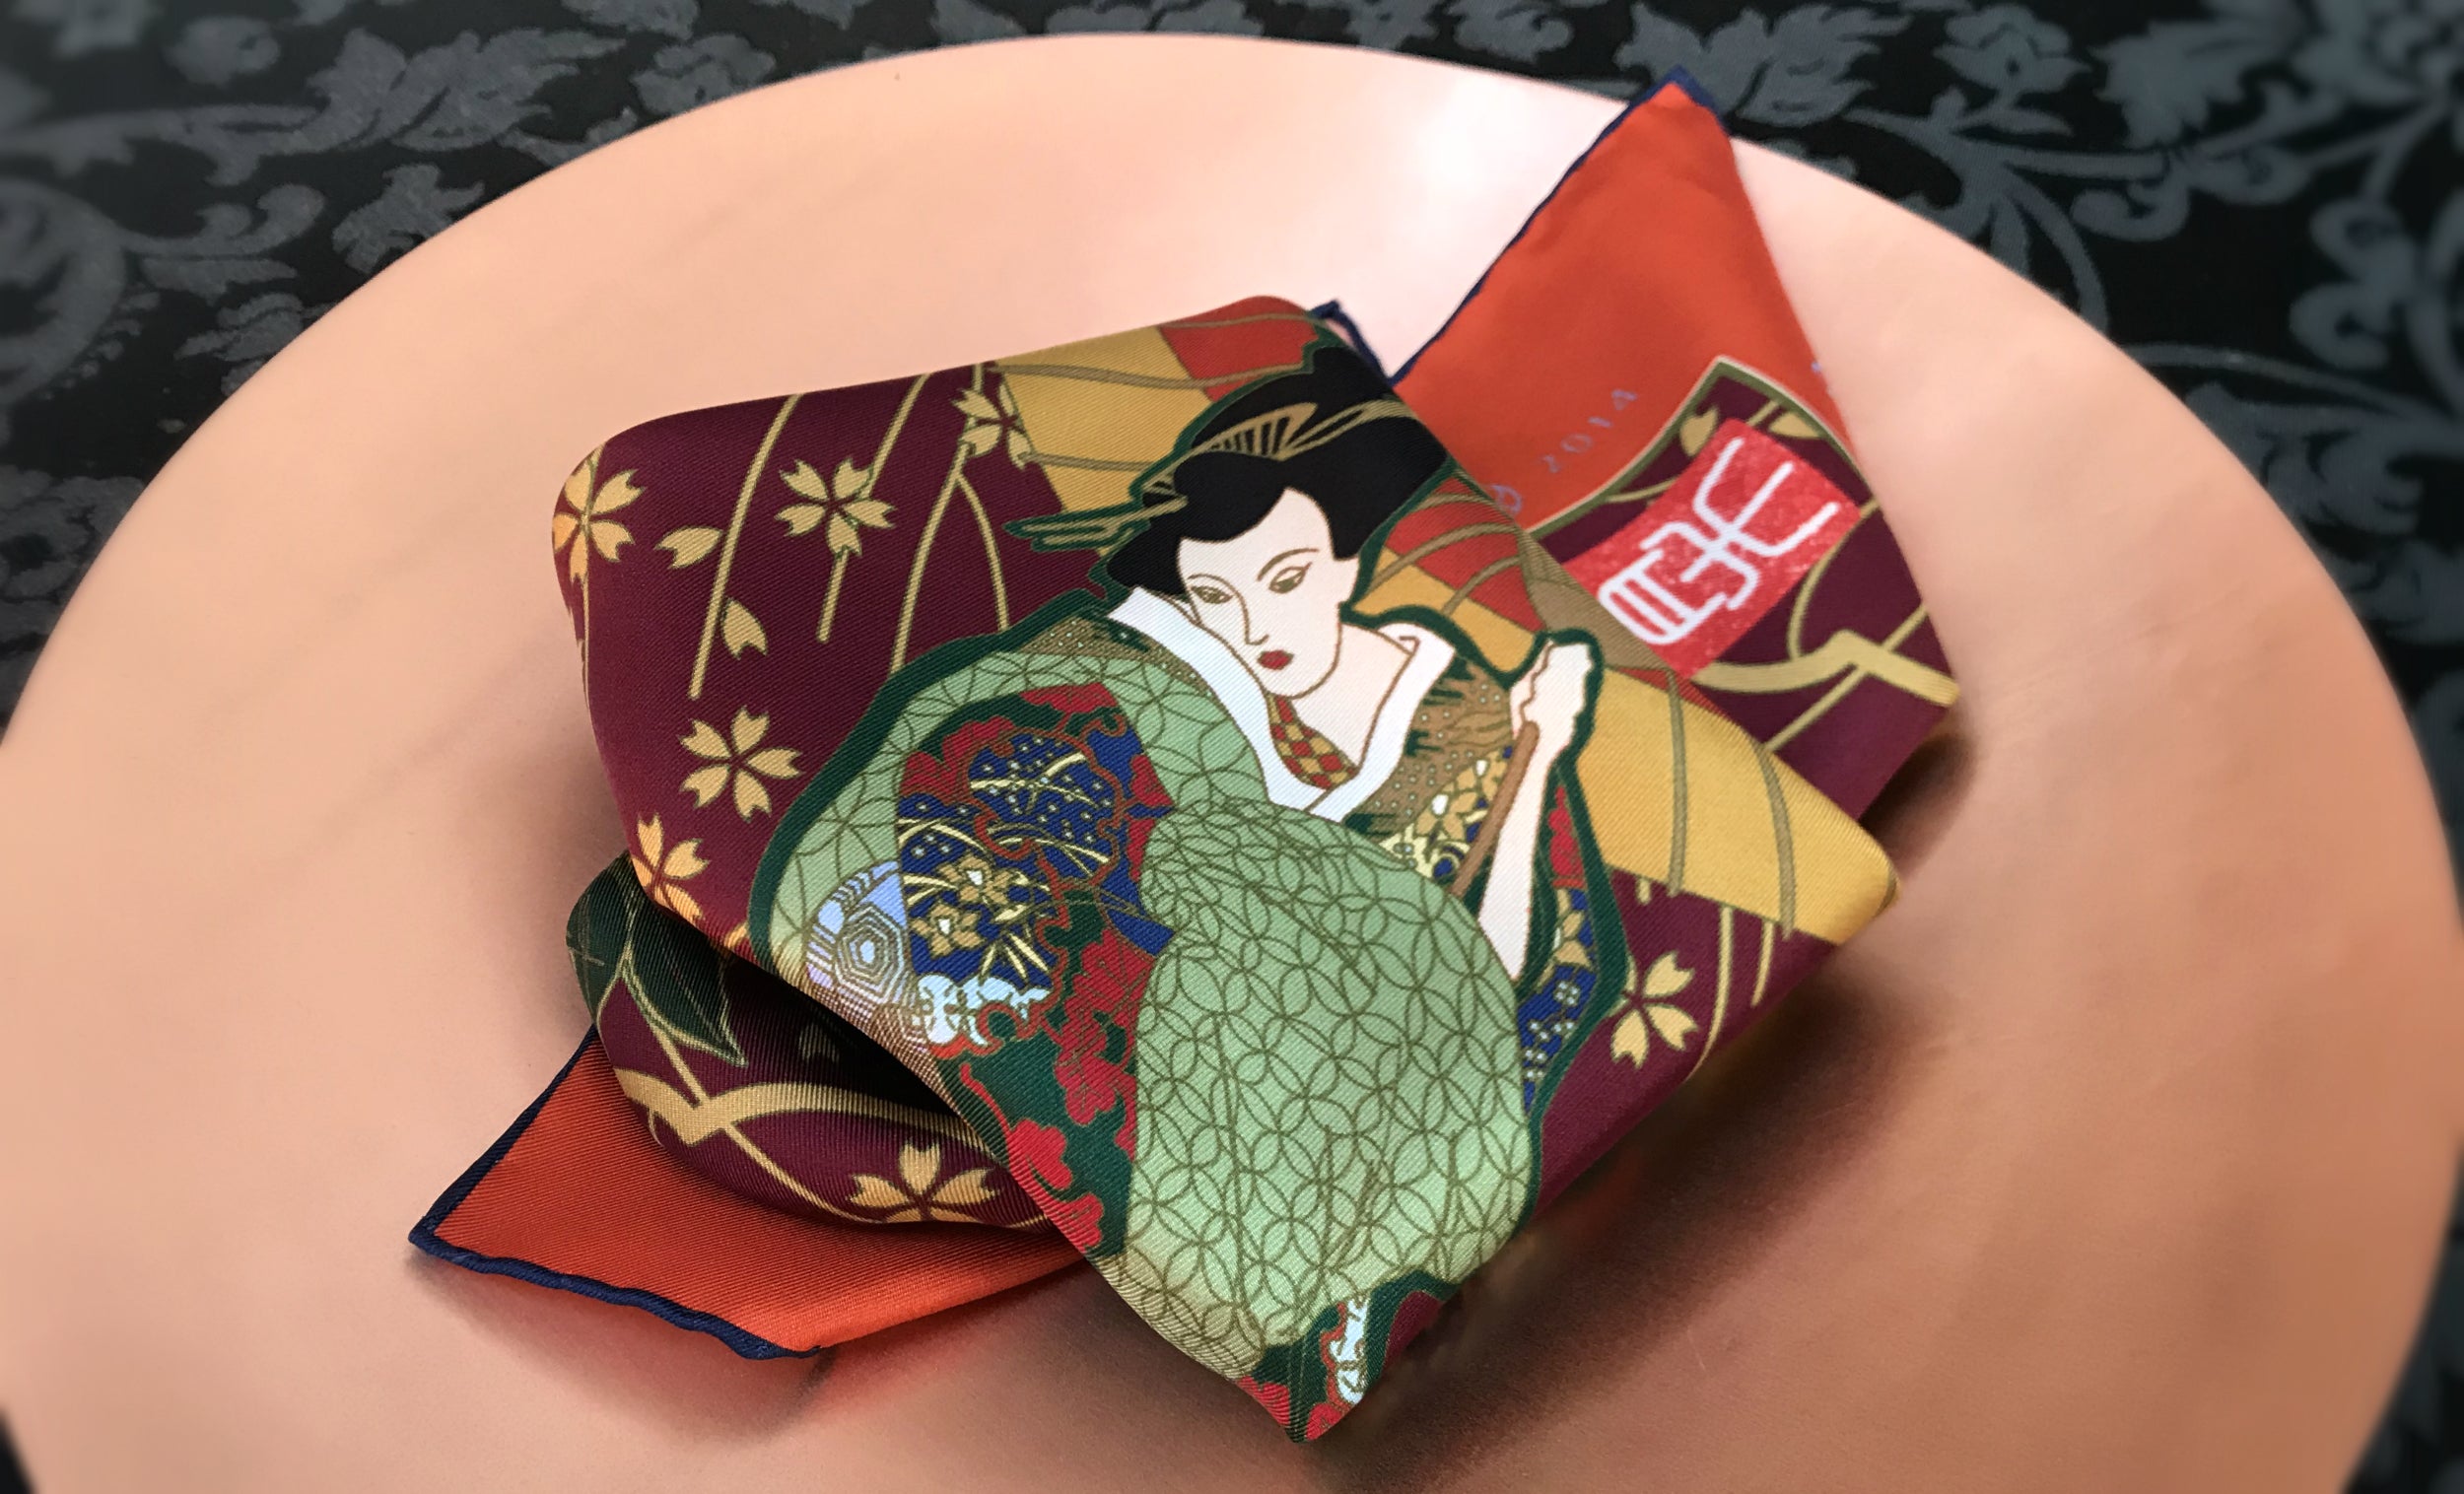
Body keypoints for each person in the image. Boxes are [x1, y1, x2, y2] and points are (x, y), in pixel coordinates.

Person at [773, 340, 1612, 1408]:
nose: (1256, 627)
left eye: (1287, 579)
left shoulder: (1464, 714)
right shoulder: (1131, 682)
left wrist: (1536, 757)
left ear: (1348, 563)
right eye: (1215, 593)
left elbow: (1494, 971)